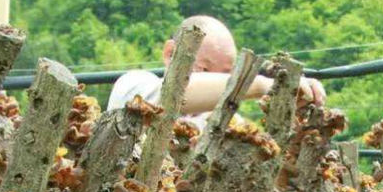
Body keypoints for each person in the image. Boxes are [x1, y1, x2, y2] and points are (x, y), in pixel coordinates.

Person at [106, 15, 326, 118]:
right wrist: (259, 85)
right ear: (170, 54)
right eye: (204, 69)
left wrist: (296, 118)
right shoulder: (134, 83)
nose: (217, 82)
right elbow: (172, 97)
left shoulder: (229, 123)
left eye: (226, 75)